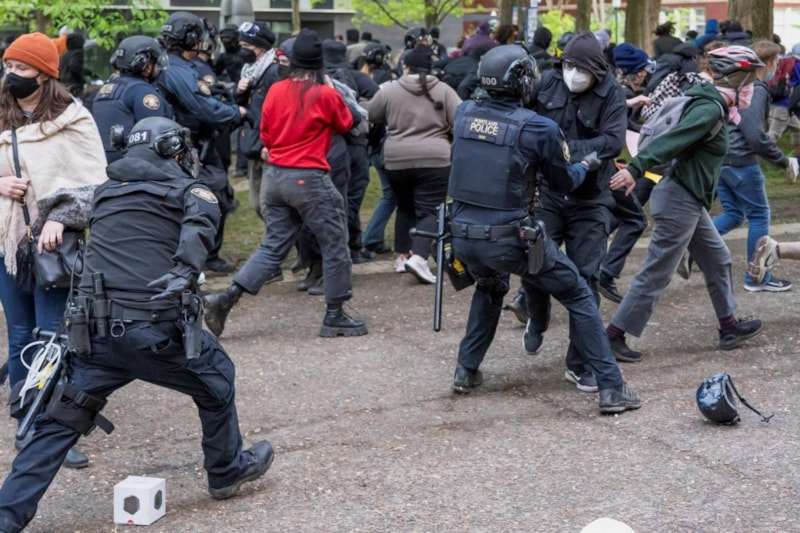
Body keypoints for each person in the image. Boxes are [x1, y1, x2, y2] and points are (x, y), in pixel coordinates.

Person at [0, 117, 274, 532]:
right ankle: (226, 470)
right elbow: (200, 226)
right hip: (153, 333)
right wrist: (186, 269)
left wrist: (55, 218)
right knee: (218, 378)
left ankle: (7, 514)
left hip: (95, 337)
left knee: (60, 421)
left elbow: (63, 202)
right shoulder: (191, 191)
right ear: (173, 151)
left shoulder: (103, 192)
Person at [447, 45, 640, 413]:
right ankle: (612, 387)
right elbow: (563, 181)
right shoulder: (538, 127)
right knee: (580, 294)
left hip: (462, 236)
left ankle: (465, 370)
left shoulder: (464, 113)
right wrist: (585, 165)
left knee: (490, 287)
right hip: (509, 237)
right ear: (522, 82)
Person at [203, 28, 367, 338]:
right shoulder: (325, 94)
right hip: (310, 179)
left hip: (275, 177)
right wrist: (329, 88)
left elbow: (265, 135)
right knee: (335, 243)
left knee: (272, 245)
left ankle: (226, 298)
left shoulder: (275, 90)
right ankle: (335, 314)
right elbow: (349, 123)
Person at [606, 46, 765, 362]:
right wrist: (636, 170)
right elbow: (674, 139)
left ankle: (729, 327)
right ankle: (611, 335)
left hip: (687, 197)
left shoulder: (713, 103)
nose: (753, 86)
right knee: (657, 271)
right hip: (679, 199)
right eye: (749, 79)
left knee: (718, 258)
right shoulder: (709, 108)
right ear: (735, 78)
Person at [0, 32, 108, 470]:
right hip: (7, 244)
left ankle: (50, 429)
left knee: (52, 338)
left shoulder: (74, 118)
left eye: (22, 68)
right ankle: (26, 421)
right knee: (20, 334)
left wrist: (62, 216)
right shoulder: (1, 113)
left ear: (45, 74)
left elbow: (96, 181)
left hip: (52, 247)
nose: (12, 74)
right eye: (9, 66)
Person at [518, 31, 628, 387]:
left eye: (581, 69)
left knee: (586, 278)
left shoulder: (612, 92)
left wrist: (563, 151)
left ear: (597, 70)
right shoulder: (548, 81)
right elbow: (521, 118)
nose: (573, 73)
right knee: (533, 263)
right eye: (568, 65)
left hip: (589, 199)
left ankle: (579, 363)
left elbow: (612, 141)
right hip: (548, 193)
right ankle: (537, 317)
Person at [157, 11, 247, 274]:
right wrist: (236, 112)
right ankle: (199, 258)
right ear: (191, 39)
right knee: (212, 195)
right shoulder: (178, 69)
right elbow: (203, 108)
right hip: (189, 148)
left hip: (193, 144)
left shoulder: (177, 65)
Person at [365, 44, 461, 283]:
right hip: (435, 158)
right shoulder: (444, 90)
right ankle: (419, 257)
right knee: (431, 210)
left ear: (405, 66)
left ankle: (402, 256)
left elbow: (372, 114)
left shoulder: (390, 90)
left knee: (405, 207)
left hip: (396, 159)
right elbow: (459, 118)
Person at [712, 40, 795, 293]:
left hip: (722, 159)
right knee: (759, 215)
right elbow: (755, 135)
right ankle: (757, 277)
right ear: (767, 63)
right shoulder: (755, 89)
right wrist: (783, 160)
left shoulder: (735, 84)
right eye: (776, 62)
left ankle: (691, 246)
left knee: (734, 214)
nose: (777, 67)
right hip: (741, 161)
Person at [93, 35, 171, 163]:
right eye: (155, 63)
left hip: (101, 164)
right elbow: (156, 138)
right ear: (146, 66)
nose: (157, 67)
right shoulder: (143, 92)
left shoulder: (104, 90)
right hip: (133, 167)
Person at [234, 21, 280, 218]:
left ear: (260, 47)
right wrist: (239, 92)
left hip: (269, 147)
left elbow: (278, 111)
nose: (242, 51)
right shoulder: (250, 70)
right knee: (256, 203)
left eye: (246, 46)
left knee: (267, 204)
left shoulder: (274, 72)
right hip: (254, 143)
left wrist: (269, 144)